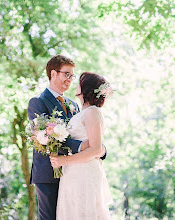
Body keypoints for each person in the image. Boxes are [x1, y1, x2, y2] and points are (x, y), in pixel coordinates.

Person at [27, 55, 107, 220]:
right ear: (53, 74)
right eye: (66, 74)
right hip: (49, 173)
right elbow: (46, 139)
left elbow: (85, 131)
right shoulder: (37, 102)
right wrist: (81, 146)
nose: (70, 79)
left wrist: (99, 149)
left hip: (73, 173)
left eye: (72, 76)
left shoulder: (74, 104)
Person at [50, 72, 112, 219]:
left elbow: (96, 149)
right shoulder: (82, 112)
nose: (75, 84)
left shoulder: (92, 113)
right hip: (73, 172)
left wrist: (64, 161)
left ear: (86, 88)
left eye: (79, 82)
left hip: (85, 172)